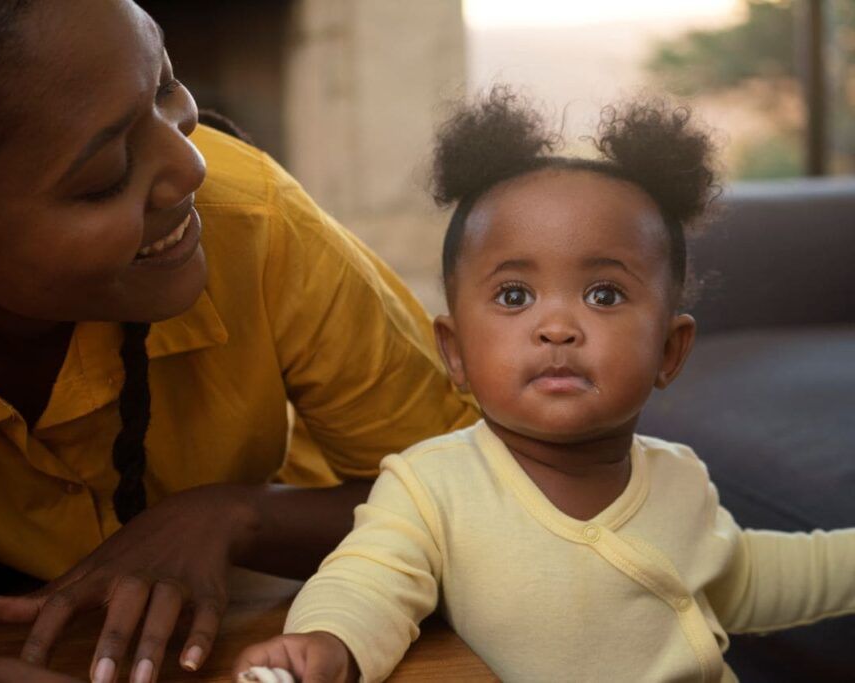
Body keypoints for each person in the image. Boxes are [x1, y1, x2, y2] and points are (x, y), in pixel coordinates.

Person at [0, 1, 477, 681]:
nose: (191, 166)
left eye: (165, 84)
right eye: (108, 173)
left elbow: (485, 500)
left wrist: (234, 515)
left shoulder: (250, 219)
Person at [233, 89, 855, 682]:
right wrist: (325, 641)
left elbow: (746, 576)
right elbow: (368, 580)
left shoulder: (680, 479)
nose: (557, 327)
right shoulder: (431, 488)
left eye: (603, 295)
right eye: (514, 296)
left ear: (669, 350)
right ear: (455, 352)